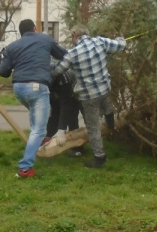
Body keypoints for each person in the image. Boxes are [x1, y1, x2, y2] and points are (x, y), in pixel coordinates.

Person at [0, 19, 67, 178]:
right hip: (37, 87)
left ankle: (38, 142)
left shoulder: (12, 46)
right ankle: (25, 168)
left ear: (21, 33)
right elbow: (64, 55)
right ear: (35, 29)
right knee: (39, 129)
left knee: (37, 118)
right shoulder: (45, 39)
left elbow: (3, 72)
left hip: (18, 89)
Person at [51, 24, 126, 169]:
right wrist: (120, 39)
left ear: (74, 36)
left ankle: (99, 158)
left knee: (93, 128)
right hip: (104, 88)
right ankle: (109, 114)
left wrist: (49, 67)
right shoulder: (100, 41)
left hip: (89, 96)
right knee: (103, 95)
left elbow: (58, 70)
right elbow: (120, 45)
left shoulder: (73, 53)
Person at [46, 67, 85, 157]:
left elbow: (65, 107)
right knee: (53, 116)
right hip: (55, 92)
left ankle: (77, 149)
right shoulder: (42, 76)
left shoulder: (64, 79)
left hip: (74, 91)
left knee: (72, 117)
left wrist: (61, 131)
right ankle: (49, 144)